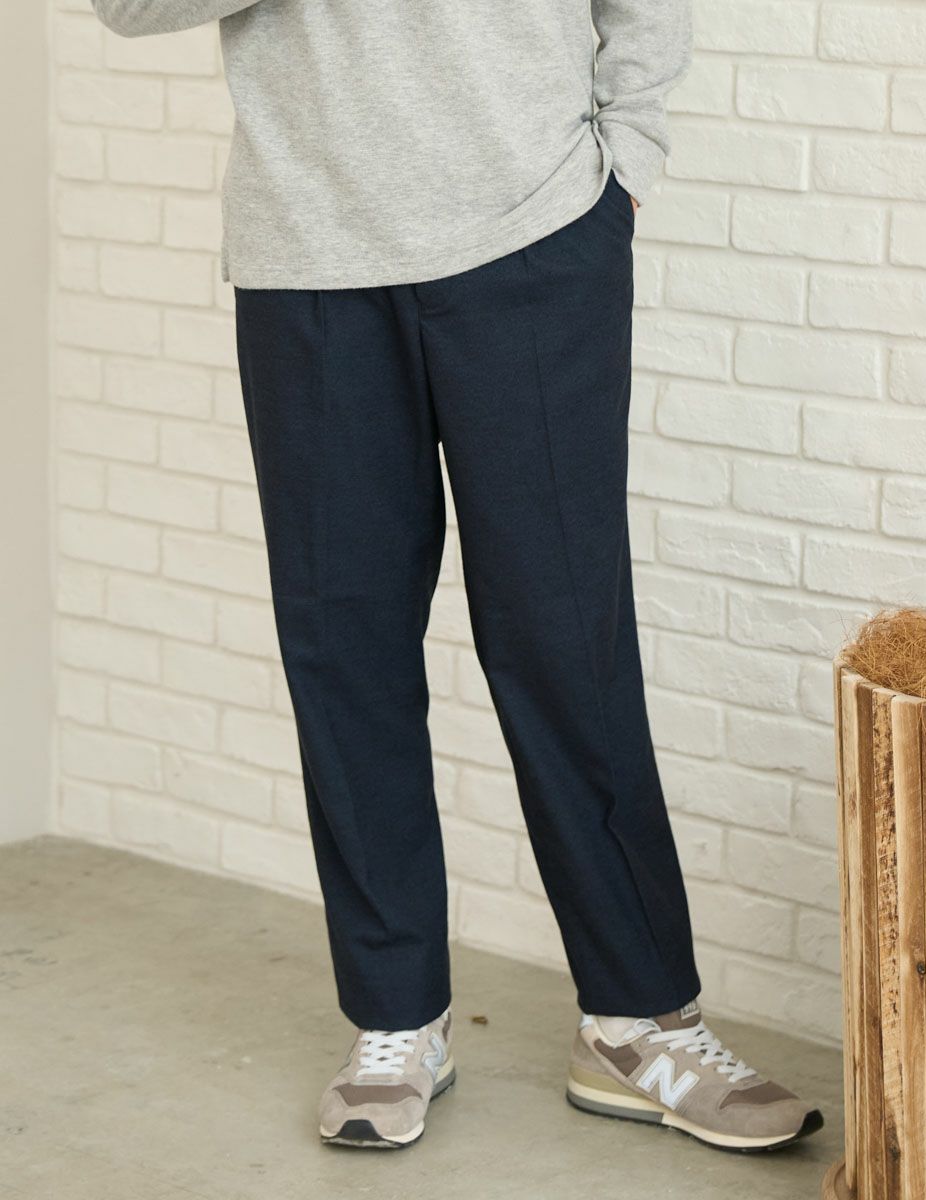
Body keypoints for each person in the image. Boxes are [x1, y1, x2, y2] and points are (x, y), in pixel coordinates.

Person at [92, 0, 824, 1155]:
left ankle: (638, 1021)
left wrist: (624, 165)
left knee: (567, 639)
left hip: (538, 229)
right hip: (309, 257)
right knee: (345, 653)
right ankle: (396, 1019)